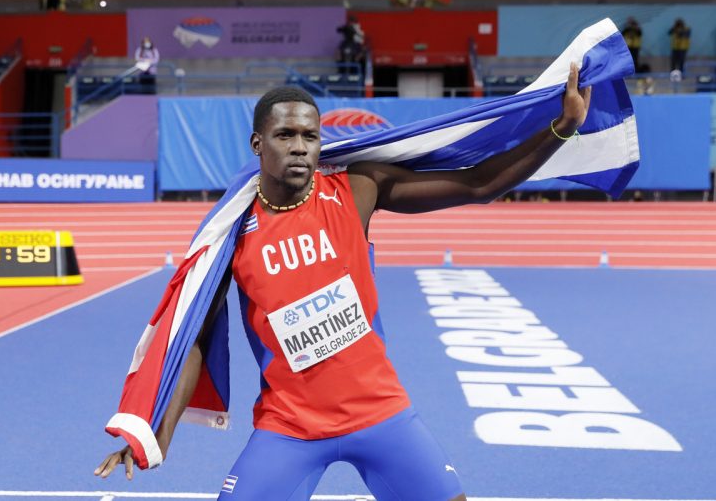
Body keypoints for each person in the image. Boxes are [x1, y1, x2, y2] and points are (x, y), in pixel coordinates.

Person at [95, 65, 591, 500]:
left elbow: (480, 183)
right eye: (285, 136)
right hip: (289, 426)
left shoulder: (356, 191)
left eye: (310, 137)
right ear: (257, 143)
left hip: (380, 414)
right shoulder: (231, 236)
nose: (299, 148)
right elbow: (194, 339)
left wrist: (561, 129)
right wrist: (155, 433)